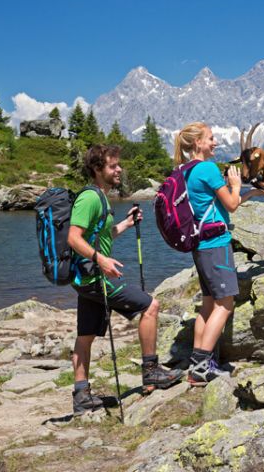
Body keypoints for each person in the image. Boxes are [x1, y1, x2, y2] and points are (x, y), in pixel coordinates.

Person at [68, 144, 182, 414]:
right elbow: (74, 238)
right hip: (96, 277)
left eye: (118, 165)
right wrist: (101, 260)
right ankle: (151, 370)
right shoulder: (90, 199)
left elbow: (101, 236)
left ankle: (81, 396)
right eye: (112, 166)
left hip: (85, 277)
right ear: (97, 169)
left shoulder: (101, 197)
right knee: (150, 306)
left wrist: (126, 225)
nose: (119, 169)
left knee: (85, 336)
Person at [173, 122, 264, 385]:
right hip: (216, 244)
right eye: (211, 139)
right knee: (225, 304)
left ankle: (198, 363)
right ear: (197, 144)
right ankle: (202, 367)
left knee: (207, 305)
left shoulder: (185, 170)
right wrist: (236, 184)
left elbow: (218, 205)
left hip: (200, 245)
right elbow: (232, 205)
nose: (215, 143)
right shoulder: (206, 168)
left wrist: (251, 192)